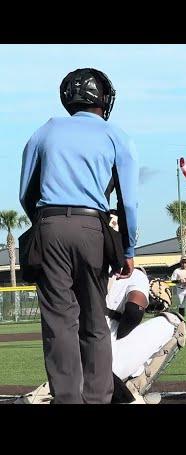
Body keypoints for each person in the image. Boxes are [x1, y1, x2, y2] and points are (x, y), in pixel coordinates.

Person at [19, 68, 138, 404]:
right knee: (94, 319)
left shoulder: (45, 131)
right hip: (92, 228)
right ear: (104, 99)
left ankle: (67, 399)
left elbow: (26, 193)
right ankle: (98, 399)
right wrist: (127, 249)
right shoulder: (116, 135)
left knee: (59, 321)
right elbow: (128, 201)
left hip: (49, 223)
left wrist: (45, 224)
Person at [16, 266, 186, 404]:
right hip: (104, 361)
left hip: (67, 356)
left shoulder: (79, 266)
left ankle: (50, 391)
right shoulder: (134, 273)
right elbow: (134, 311)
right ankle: (132, 390)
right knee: (175, 322)